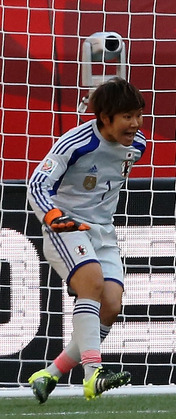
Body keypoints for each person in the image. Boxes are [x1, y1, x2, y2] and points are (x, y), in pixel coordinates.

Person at [26, 77, 147, 402]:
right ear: (105, 117)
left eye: (138, 115)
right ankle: (94, 373)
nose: (134, 123)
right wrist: (54, 217)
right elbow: (37, 185)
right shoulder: (74, 143)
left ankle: (49, 374)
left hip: (103, 232)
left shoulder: (137, 146)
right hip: (66, 227)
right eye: (127, 116)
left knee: (110, 304)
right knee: (91, 284)